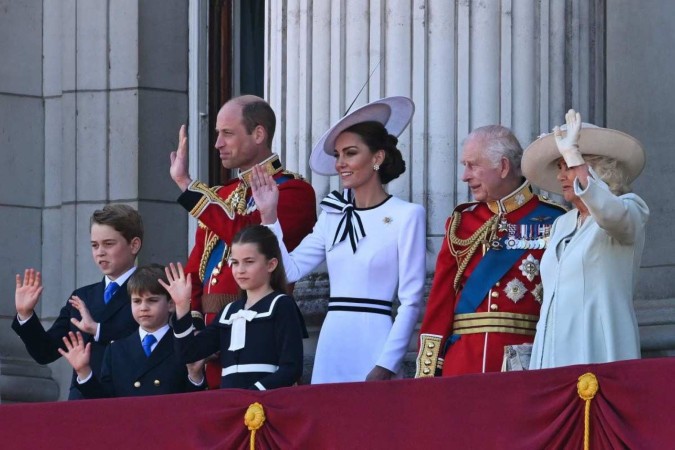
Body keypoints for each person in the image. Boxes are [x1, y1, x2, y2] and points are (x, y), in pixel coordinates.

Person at [252, 96, 426, 384]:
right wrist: (269, 216)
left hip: (376, 340)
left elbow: (411, 301)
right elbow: (291, 270)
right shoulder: (333, 214)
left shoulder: (407, 215)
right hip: (333, 341)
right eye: (337, 155)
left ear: (377, 158)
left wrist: (386, 363)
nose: (341, 163)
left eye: (350, 153)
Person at [169, 94, 316, 389]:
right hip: (212, 340)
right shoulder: (220, 197)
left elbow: (247, 236)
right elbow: (197, 269)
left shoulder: (294, 191)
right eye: (217, 135)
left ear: (258, 133)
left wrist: (188, 186)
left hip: (262, 335)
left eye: (227, 133)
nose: (218, 144)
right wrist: (199, 329)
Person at [415, 125, 565, 378]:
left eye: (473, 165)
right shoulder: (462, 222)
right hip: (462, 364)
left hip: (527, 362)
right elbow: (440, 302)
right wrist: (428, 371)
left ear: (503, 167)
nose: (464, 176)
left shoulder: (555, 220)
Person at [522, 109, 649, 369]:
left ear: (597, 169)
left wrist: (574, 157)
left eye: (567, 166)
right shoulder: (562, 224)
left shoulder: (630, 209)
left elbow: (612, 216)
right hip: (551, 356)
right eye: (560, 167)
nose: (560, 177)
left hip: (598, 351)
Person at [12, 204, 143, 399]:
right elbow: (46, 352)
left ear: (133, 245)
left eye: (108, 244)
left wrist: (98, 330)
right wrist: (26, 315)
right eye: (94, 245)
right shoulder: (83, 297)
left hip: (127, 401)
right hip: (82, 403)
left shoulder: (149, 291)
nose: (100, 252)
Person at [170, 225, 305, 390]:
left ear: (271, 264)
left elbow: (291, 367)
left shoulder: (281, 305)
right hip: (231, 404)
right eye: (234, 263)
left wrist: (255, 392)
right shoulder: (229, 312)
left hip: (267, 404)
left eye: (249, 262)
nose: (240, 270)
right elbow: (188, 353)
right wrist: (182, 307)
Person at [57, 265, 206, 398]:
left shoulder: (182, 346)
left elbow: (193, 403)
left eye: (152, 300)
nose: (143, 307)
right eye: (137, 301)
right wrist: (84, 371)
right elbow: (104, 403)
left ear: (171, 305)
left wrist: (195, 375)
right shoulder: (115, 350)